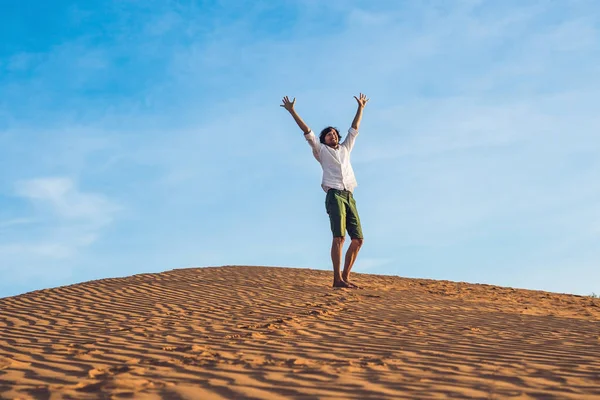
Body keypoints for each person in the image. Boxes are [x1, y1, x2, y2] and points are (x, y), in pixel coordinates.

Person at [280, 93, 369, 288]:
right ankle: (337, 279)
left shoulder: (345, 149)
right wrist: (292, 111)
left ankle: (345, 277)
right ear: (324, 139)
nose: (333, 135)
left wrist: (361, 108)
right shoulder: (320, 150)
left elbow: (354, 129)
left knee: (358, 239)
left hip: (349, 194)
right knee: (339, 237)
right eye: (329, 134)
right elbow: (307, 132)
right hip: (334, 194)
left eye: (334, 133)